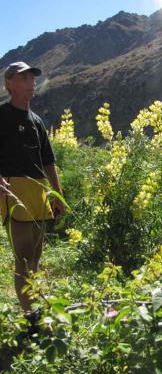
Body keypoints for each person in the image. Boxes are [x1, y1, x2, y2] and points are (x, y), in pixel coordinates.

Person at [0, 61, 64, 317]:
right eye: (24, 78)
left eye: (32, 79)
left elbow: (48, 161)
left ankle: (34, 304)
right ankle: (31, 317)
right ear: (9, 84)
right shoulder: (2, 115)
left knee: (35, 256)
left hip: (39, 191)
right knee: (24, 258)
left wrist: (58, 196)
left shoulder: (36, 120)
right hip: (14, 189)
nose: (31, 83)